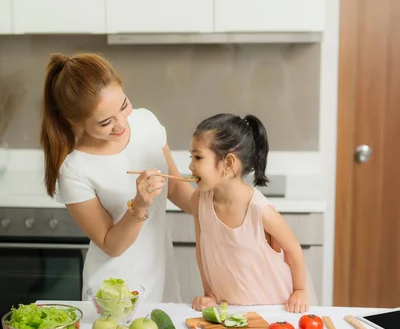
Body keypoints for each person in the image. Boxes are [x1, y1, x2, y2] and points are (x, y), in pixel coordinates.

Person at [40, 52, 193, 302]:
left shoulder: (146, 123)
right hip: (114, 291)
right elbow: (112, 245)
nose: (122, 124)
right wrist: (139, 205)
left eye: (123, 106)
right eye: (105, 122)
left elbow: (176, 189)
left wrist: (225, 207)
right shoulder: (74, 169)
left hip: (161, 275)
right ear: (74, 121)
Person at [189, 113, 317, 313]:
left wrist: (300, 290)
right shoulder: (198, 201)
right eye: (192, 157)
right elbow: (202, 253)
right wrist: (210, 295)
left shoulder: (260, 211)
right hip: (228, 309)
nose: (190, 166)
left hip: (272, 309)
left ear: (229, 163)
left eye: (198, 157)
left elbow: (294, 251)